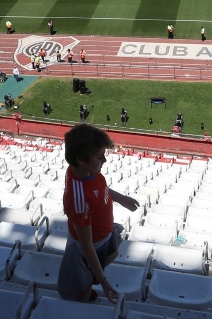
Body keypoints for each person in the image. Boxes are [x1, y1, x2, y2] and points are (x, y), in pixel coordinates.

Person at [58, 124, 139, 303]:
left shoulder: (85, 172)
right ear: (81, 159)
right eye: (99, 157)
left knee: (113, 253)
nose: (105, 160)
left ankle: (93, 273)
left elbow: (101, 188)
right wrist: (103, 281)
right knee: (82, 290)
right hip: (90, 248)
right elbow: (86, 245)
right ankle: (88, 284)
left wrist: (121, 198)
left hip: (104, 235)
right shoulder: (80, 198)